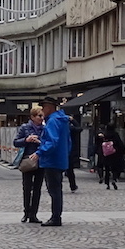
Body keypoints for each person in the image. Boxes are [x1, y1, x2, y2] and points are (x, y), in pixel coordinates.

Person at [34, 97, 72, 227]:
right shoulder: (63, 120)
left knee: (54, 190)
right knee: (57, 190)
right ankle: (56, 216)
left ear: (49, 107)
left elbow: (52, 142)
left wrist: (39, 152)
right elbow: (68, 142)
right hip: (60, 159)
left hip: (51, 160)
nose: (42, 111)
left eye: (43, 107)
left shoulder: (52, 122)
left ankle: (56, 217)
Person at [13, 107, 46, 224]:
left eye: (42, 116)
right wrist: (26, 140)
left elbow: (48, 142)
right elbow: (15, 142)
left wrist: (39, 142)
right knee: (27, 188)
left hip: (40, 161)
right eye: (39, 116)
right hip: (27, 160)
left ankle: (34, 214)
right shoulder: (25, 128)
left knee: (37, 188)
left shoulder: (44, 129)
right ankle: (26, 212)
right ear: (32, 117)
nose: (41, 118)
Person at [96, 123, 125, 190]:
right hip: (114, 154)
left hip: (106, 154)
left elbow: (99, 144)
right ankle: (114, 179)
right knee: (114, 168)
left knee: (107, 169)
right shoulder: (115, 134)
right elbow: (119, 143)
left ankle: (107, 183)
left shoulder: (104, 135)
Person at [64, 114, 81, 192]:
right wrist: (73, 120)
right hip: (69, 151)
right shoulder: (70, 128)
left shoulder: (59, 128)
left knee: (57, 169)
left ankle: (54, 185)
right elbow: (79, 128)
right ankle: (73, 186)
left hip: (61, 151)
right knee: (70, 170)